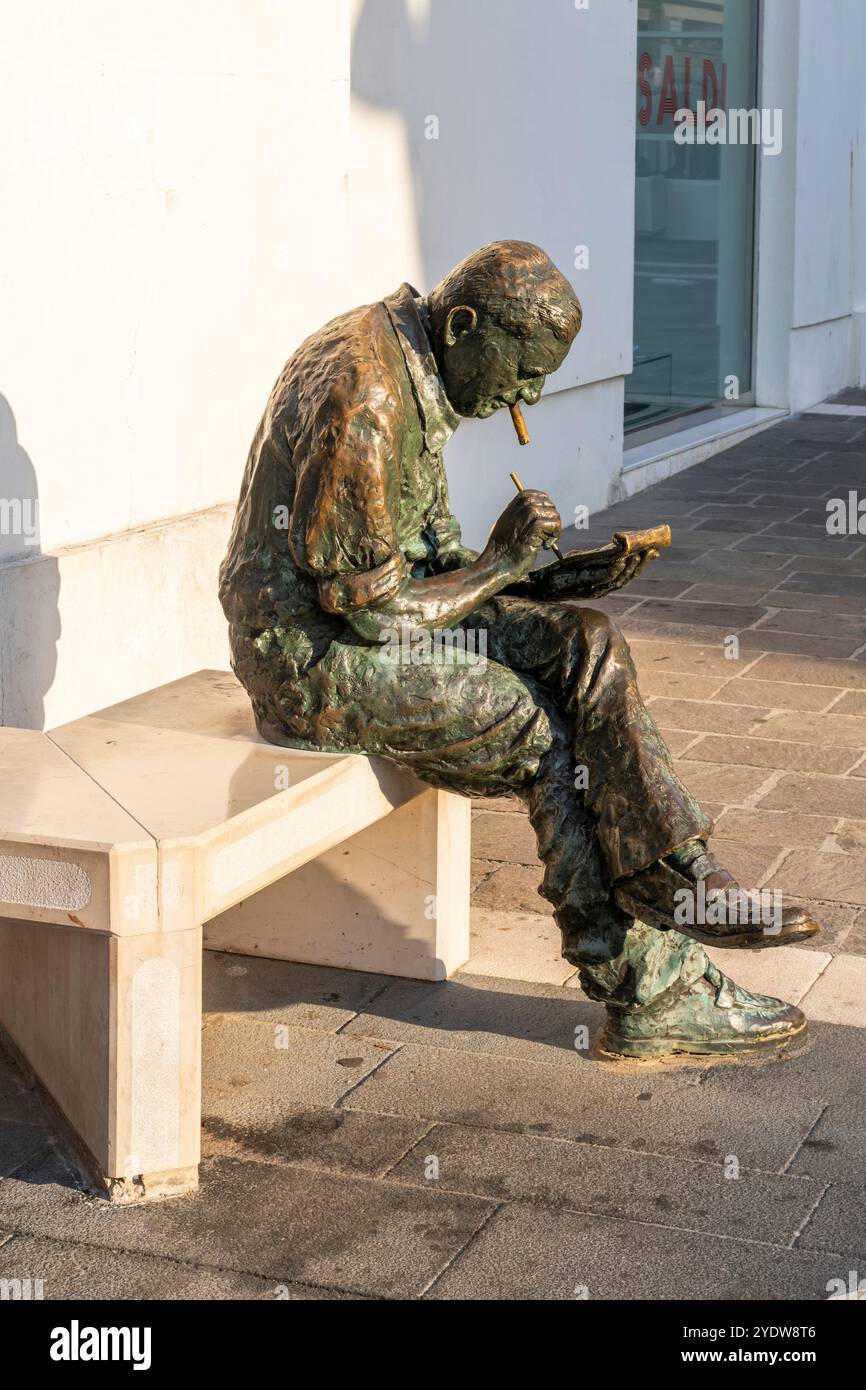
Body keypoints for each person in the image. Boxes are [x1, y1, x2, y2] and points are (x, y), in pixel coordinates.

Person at [220, 241, 819, 1059]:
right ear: (465, 326)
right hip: (307, 658)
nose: (528, 397)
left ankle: (674, 869)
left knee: (585, 641)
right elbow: (373, 613)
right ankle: (652, 993)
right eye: (526, 372)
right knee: (541, 734)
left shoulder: (411, 358)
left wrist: (557, 582)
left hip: (368, 619)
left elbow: (432, 571)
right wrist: (502, 565)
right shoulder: (369, 397)